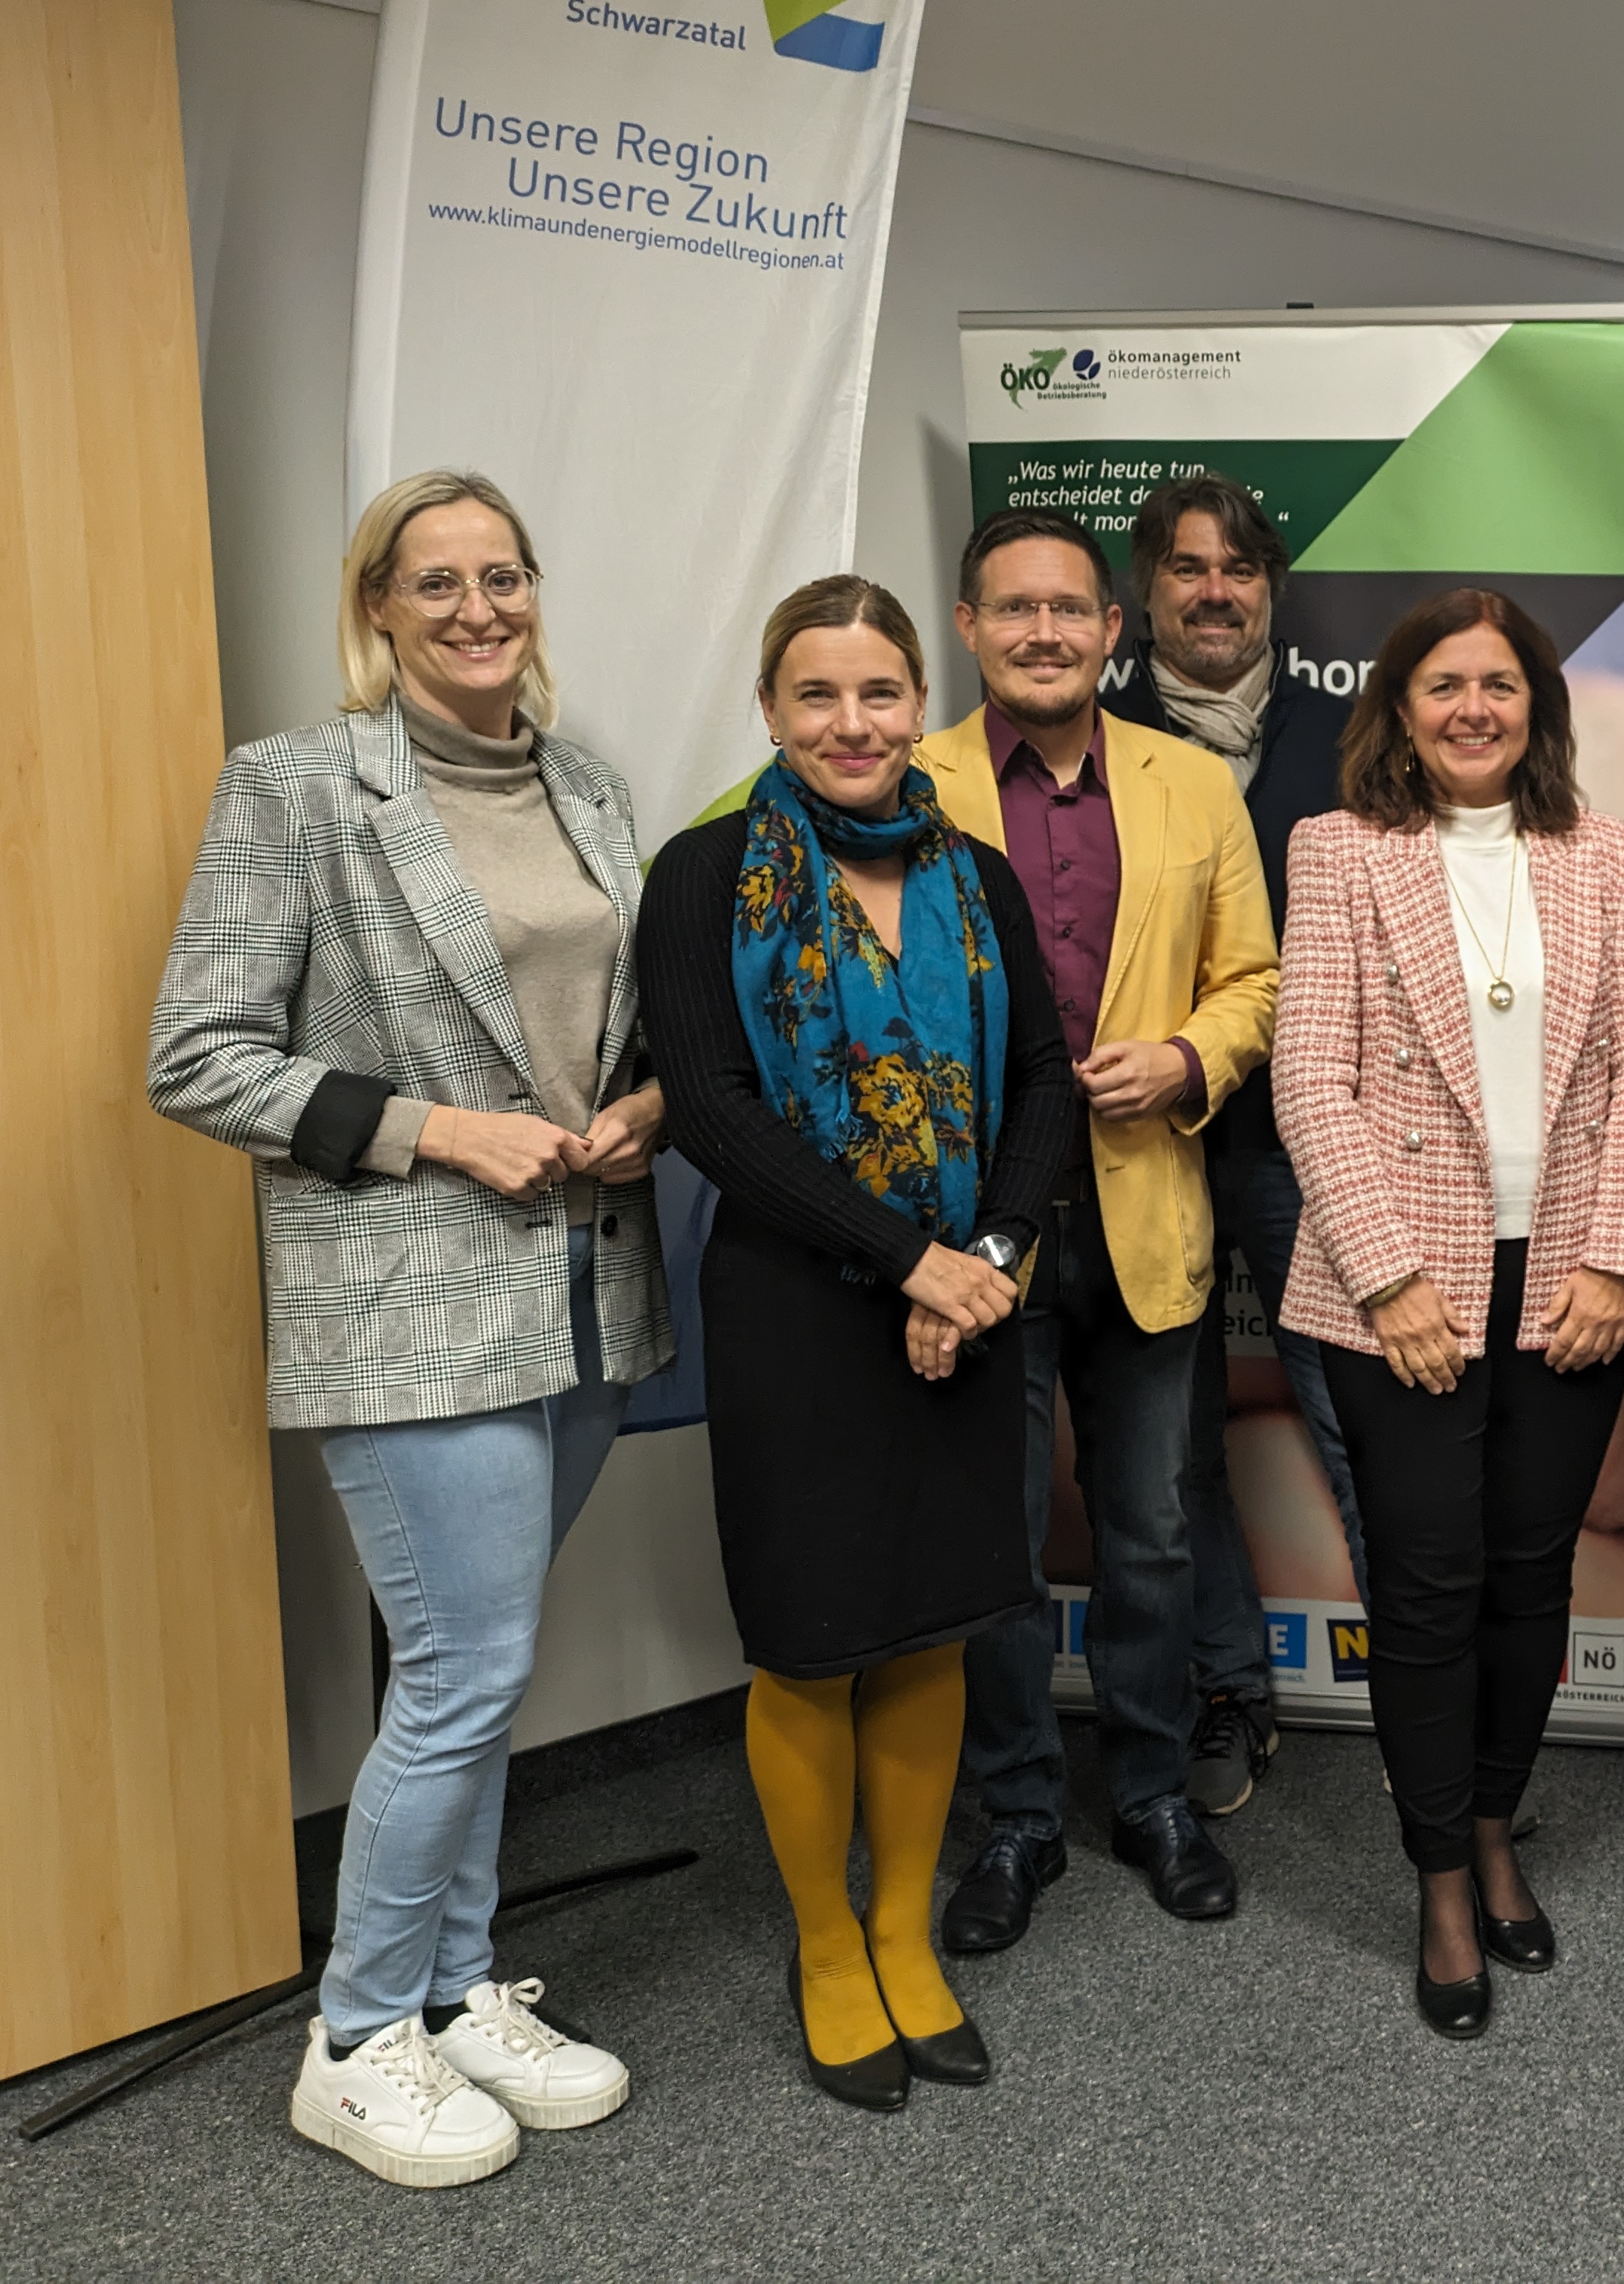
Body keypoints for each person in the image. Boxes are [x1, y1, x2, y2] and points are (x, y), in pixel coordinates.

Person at [153, 470, 670, 2186]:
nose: (475, 608)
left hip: (584, 1281)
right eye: (435, 580)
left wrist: (648, 1107)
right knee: (463, 1670)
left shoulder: (584, 783)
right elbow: (199, 1056)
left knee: (483, 1658)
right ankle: (357, 2032)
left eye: (500, 575)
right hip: (407, 1294)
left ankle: (453, 1989)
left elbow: (616, 1025)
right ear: (377, 603)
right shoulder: (297, 787)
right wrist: (438, 1128)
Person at [638, 575, 1073, 2115]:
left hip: (969, 1304)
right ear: (769, 709)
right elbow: (709, 1107)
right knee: (814, 1640)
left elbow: (1044, 1079)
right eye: (815, 694)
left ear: (917, 702)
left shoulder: (975, 872)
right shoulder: (702, 876)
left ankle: (902, 1929)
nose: (850, 722)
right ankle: (826, 1944)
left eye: (878, 691)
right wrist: (913, 1262)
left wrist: (990, 1257)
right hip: (797, 1313)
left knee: (935, 1624)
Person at [1276, 589, 1624, 2038]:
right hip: (1405, 1287)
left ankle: (1497, 1822)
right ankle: (1440, 1875)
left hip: (1568, 1277)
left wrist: (1620, 1257)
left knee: (1529, 1578)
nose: (1473, 708)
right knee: (1428, 1587)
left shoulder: (1598, 850)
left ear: (1535, 709)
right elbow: (1308, 1078)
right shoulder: (1337, 850)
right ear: (1400, 707)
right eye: (1443, 684)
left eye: (1499, 685)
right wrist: (1387, 1277)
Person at [926, 507, 1282, 1945]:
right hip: (973, 1232)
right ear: (969, 627)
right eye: (1014, 609)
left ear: (1112, 630)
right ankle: (1016, 1816)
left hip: (1145, 1207)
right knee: (995, 1546)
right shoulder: (907, 780)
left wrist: (1189, 1058)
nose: (1044, 632)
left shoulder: (1191, 784)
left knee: (1149, 1534)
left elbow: (1255, 978)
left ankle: (1150, 1795)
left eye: (1069, 609)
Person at [1103, 471, 1355, 1818]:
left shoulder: (1355, 736)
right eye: (1188, 568)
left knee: (1362, 1417)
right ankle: (1229, 1690)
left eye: (1240, 569)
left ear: (1272, 590)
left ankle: (1433, 1701)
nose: (1215, 592)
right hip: (1140, 1145)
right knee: (1172, 1448)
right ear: (1143, 593)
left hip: (1309, 1141)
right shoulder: (1090, 741)